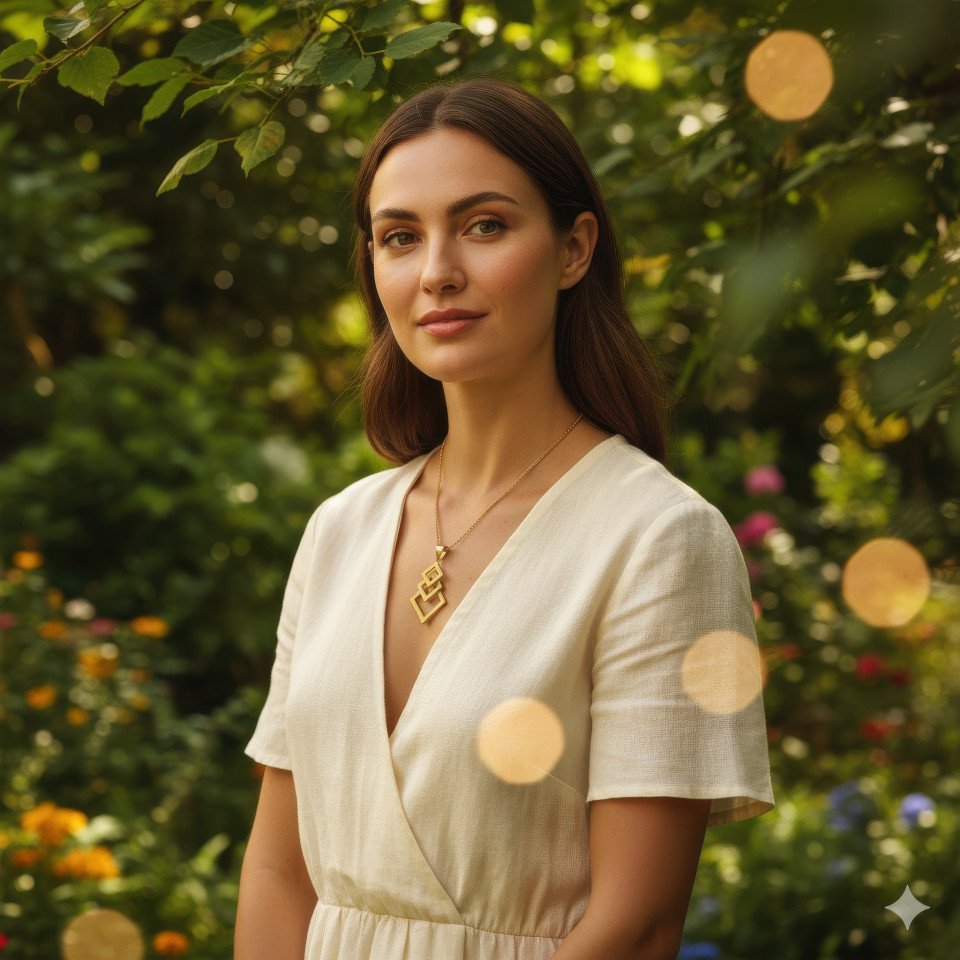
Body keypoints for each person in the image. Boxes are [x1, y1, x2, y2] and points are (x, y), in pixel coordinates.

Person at [234, 74, 775, 960]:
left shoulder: (660, 540)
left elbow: (636, 929)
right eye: (400, 237)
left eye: (484, 226)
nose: (438, 271)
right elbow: (277, 871)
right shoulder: (340, 530)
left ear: (574, 249)